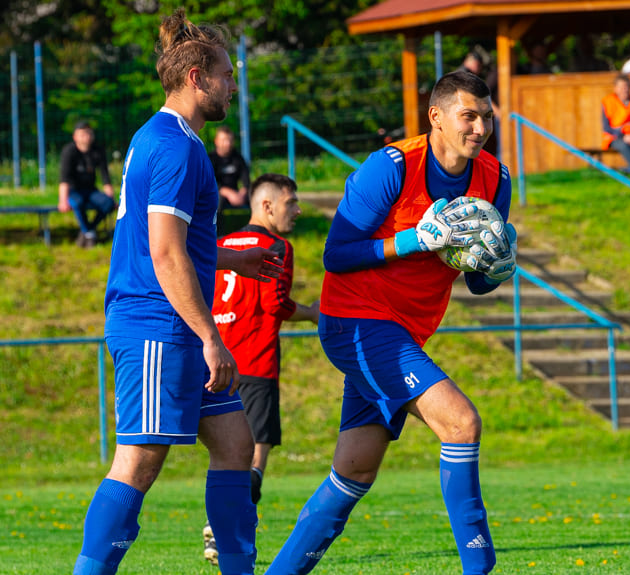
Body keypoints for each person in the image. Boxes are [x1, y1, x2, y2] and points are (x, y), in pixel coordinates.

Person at [264, 69, 516, 575]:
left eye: (486, 117)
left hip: (404, 330)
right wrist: (413, 240)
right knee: (461, 424)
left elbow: (475, 282)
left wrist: (498, 267)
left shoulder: (495, 178)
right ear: (436, 117)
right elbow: (335, 255)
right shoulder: (392, 165)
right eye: (468, 116)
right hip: (355, 321)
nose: (479, 128)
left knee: (353, 471)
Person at [73, 9, 282, 575]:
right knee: (138, 462)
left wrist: (234, 255)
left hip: (175, 325)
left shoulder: (166, 137)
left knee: (236, 446)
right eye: (226, 74)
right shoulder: (175, 146)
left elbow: (176, 245)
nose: (231, 85)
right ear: (197, 77)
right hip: (158, 327)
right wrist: (212, 336)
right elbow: (164, 255)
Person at [203, 173, 320, 565]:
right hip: (254, 363)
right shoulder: (276, 246)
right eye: (291, 202)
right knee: (254, 457)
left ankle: (222, 532)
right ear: (267, 206)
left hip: (215, 362)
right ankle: (225, 536)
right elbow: (275, 304)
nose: (298, 210)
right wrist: (313, 314)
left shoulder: (220, 244)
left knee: (223, 455)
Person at [58, 121, 116, 248]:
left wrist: (112, 199)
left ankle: (88, 230)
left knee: (108, 203)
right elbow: (64, 178)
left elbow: (105, 177)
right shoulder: (69, 151)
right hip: (73, 191)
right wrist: (63, 200)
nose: (87, 136)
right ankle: (89, 233)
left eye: (89, 133)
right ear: (75, 136)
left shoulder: (98, 150)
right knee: (77, 203)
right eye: (83, 134)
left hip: (90, 190)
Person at [209, 125, 251, 226]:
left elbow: (246, 180)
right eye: (224, 140)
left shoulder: (238, 158)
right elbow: (209, 183)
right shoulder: (210, 159)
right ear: (216, 141)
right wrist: (227, 193)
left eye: (230, 140)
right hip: (218, 193)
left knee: (255, 196)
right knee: (216, 200)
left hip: (237, 193)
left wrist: (243, 192)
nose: (227, 144)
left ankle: (256, 229)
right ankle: (218, 234)